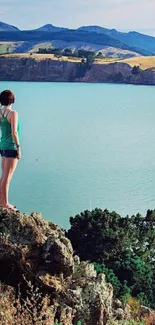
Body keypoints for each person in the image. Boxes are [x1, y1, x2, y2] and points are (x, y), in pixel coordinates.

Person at [0, 90, 21, 211]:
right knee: (7, 177)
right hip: (11, 147)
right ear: (12, 100)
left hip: (2, 146)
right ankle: (6, 203)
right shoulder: (13, 113)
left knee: (3, 176)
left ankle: (1, 201)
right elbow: (14, 132)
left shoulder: (0, 112)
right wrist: (18, 147)